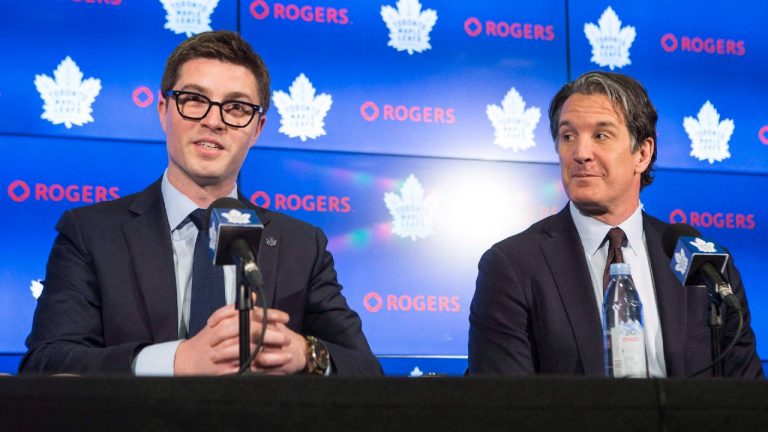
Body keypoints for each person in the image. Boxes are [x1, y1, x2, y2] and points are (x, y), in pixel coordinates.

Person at [20, 30, 381, 376]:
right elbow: (47, 363)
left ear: (257, 128)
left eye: (236, 107)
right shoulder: (91, 234)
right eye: (194, 100)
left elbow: (365, 369)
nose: (213, 121)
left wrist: (306, 353)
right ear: (163, 110)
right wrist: (176, 361)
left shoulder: (301, 245)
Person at [468, 71, 763, 378]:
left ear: (643, 154)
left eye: (601, 136)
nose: (580, 153)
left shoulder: (706, 266)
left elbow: (747, 399)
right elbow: (504, 407)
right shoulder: (513, 266)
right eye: (568, 137)